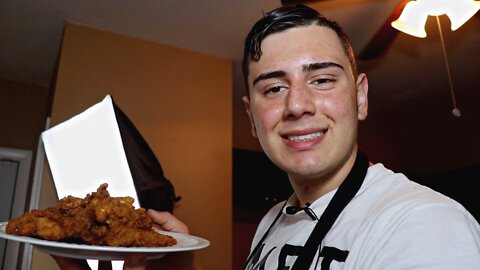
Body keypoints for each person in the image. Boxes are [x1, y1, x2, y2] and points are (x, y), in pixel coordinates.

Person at [54, 4, 480, 270]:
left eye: (323, 80)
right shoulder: (271, 222)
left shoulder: (426, 225)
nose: (297, 105)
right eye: (274, 88)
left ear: (361, 97)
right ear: (252, 118)